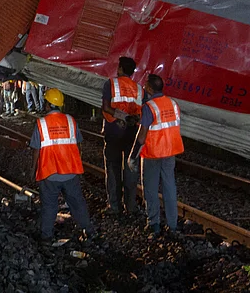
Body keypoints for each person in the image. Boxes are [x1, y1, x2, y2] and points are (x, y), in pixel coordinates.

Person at [30, 88, 97, 242]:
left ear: (47, 105)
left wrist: (33, 170)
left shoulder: (41, 123)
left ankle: (46, 236)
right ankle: (89, 230)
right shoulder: (70, 121)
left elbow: (36, 150)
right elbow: (77, 146)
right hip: (70, 171)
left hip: (49, 172)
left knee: (49, 205)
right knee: (77, 202)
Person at [129, 74, 185, 237]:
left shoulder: (149, 106)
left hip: (153, 153)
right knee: (169, 187)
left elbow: (141, 136)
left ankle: (154, 224)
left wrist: (133, 156)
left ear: (150, 88)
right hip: (170, 152)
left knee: (151, 189)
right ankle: (172, 225)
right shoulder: (173, 104)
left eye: (146, 85)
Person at [101, 56, 144, 216]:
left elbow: (106, 107)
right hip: (132, 134)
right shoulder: (139, 89)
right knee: (131, 169)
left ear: (120, 69)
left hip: (113, 132)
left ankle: (114, 206)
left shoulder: (111, 84)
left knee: (113, 168)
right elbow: (142, 113)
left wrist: (122, 116)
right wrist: (131, 119)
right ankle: (131, 206)